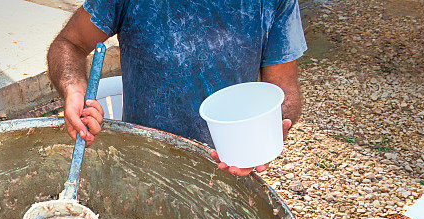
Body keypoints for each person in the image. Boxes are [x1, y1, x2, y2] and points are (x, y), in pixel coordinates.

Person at [47, 0, 307, 177]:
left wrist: (266, 134)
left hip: (228, 169)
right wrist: (74, 89)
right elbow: (70, 43)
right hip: (142, 166)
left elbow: (284, 89)